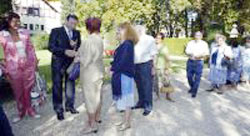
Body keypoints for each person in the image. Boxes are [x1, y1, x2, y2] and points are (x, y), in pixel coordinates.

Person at [0, 12, 40, 123]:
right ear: (8, 22)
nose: (17, 23)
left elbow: (31, 49)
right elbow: (1, 55)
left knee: (28, 89)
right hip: (13, 68)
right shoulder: (2, 36)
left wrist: (35, 62)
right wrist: (5, 71)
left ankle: (30, 110)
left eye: (18, 21)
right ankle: (21, 112)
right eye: (14, 21)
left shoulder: (24, 33)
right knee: (18, 92)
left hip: (27, 66)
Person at [48, 14, 81, 120]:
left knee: (70, 85)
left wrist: (75, 47)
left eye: (75, 24)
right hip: (58, 64)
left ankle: (69, 106)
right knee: (57, 86)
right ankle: (59, 110)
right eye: (71, 23)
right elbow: (51, 47)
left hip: (71, 64)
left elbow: (79, 46)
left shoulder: (77, 33)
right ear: (66, 21)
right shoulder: (55, 31)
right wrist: (65, 51)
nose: (73, 25)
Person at [75, 17, 104, 134]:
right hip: (98, 72)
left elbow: (86, 60)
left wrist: (77, 58)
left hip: (89, 74)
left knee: (89, 99)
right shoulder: (100, 39)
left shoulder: (88, 41)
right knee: (97, 96)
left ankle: (92, 124)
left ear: (88, 28)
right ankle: (97, 117)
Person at [111, 22, 139, 131]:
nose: (118, 31)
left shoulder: (127, 44)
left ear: (127, 31)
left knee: (127, 100)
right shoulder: (125, 43)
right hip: (123, 74)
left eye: (121, 29)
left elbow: (122, 62)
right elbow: (119, 60)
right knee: (126, 100)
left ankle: (127, 123)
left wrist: (113, 69)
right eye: (118, 29)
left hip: (125, 76)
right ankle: (125, 121)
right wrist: (112, 66)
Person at [133, 25, 158, 116]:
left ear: (140, 30)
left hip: (146, 65)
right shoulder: (134, 39)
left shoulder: (149, 39)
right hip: (135, 65)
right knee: (139, 85)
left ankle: (148, 106)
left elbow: (154, 54)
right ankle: (141, 102)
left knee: (147, 86)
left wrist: (153, 68)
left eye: (135, 30)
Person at [185, 31, 209, 98]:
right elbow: (186, 51)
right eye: (196, 35)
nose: (197, 37)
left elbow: (206, 54)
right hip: (190, 61)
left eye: (199, 35)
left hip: (199, 62)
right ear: (194, 36)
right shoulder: (190, 43)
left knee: (197, 78)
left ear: (201, 36)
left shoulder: (204, 44)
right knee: (189, 76)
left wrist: (200, 56)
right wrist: (190, 54)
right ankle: (193, 87)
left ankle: (194, 91)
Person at [154, 33, 175, 101]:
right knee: (155, 83)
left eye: (159, 38)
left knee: (166, 82)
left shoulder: (164, 48)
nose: (157, 39)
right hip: (155, 67)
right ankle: (157, 96)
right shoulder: (153, 47)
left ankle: (168, 96)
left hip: (162, 67)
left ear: (162, 40)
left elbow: (167, 59)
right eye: (156, 37)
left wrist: (167, 68)